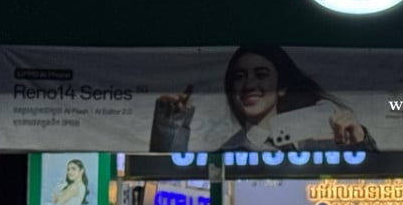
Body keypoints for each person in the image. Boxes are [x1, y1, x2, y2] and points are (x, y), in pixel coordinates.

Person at [150, 45, 376, 152]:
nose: (249, 85)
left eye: (261, 75)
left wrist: (360, 140)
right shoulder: (227, 154)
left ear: (282, 86)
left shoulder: (324, 140)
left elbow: (376, 185)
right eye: (239, 77)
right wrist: (168, 129)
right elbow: (167, 176)